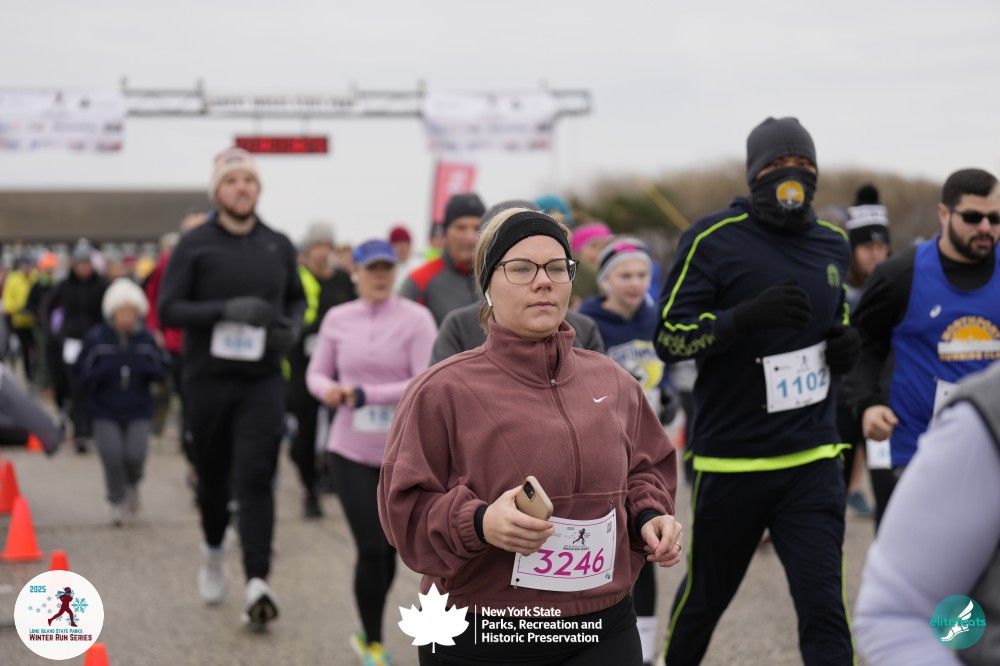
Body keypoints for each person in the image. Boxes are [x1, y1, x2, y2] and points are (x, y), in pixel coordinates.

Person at [379, 207, 681, 666]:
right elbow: (404, 511)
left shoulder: (614, 380)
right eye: (521, 269)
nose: (543, 282)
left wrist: (649, 515)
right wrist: (480, 522)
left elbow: (644, 470)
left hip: (603, 623)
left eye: (557, 268)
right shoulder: (441, 390)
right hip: (481, 627)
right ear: (488, 285)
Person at [653, 117, 858, 664]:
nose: (792, 176)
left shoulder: (834, 243)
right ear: (754, 174)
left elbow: (836, 319)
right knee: (705, 601)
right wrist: (740, 319)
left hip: (812, 457)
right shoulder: (712, 238)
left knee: (824, 607)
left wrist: (845, 345)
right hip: (732, 461)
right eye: (777, 165)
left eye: (805, 165)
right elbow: (668, 338)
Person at [158, 147, 306, 628]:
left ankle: (257, 580)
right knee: (213, 478)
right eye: (232, 181)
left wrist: (291, 330)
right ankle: (213, 549)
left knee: (257, 475)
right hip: (207, 380)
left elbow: (297, 302)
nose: (242, 187)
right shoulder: (195, 244)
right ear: (217, 191)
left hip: (262, 380)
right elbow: (168, 310)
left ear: (257, 189)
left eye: (249, 180)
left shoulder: (278, 244)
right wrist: (224, 311)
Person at [844, 168, 1000, 528]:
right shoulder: (899, 274)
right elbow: (863, 345)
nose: (985, 228)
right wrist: (868, 404)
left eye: (994, 219)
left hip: (991, 450)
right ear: (944, 214)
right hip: (914, 451)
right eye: (972, 217)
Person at [306, 239, 435, 666]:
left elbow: (424, 379)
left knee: (392, 549)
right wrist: (330, 391)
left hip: (404, 453)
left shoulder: (416, 318)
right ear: (356, 273)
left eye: (386, 268)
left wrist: (366, 394)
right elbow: (316, 373)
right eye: (371, 269)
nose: (380, 276)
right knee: (372, 547)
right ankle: (373, 642)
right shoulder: (338, 318)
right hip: (349, 450)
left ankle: (369, 627)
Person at [854, 361, 1000, 665]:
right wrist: (869, 402)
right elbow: (896, 613)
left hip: (953, 433)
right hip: (912, 438)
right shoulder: (987, 408)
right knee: (948, 590)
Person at [578, 236, 679, 665]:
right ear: (605, 280)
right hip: (603, 443)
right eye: (624, 275)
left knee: (647, 539)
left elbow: (666, 369)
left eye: (642, 274)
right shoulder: (588, 321)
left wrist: (669, 395)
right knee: (607, 540)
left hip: (645, 443)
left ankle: (647, 649)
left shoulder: (655, 318)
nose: (635, 283)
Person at [77, 278, 168, 526]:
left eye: (131, 312)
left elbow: (163, 369)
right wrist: (99, 373)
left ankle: (133, 484)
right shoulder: (97, 339)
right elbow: (81, 372)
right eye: (122, 312)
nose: (127, 317)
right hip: (105, 408)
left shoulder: (146, 339)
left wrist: (152, 369)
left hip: (138, 408)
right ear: (113, 312)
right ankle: (116, 500)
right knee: (112, 455)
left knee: (135, 454)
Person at [287, 220, 355, 517]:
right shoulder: (297, 278)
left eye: (327, 245)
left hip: (340, 367)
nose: (323, 251)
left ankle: (330, 475)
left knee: (337, 425)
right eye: (318, 245)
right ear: (309, 248)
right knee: (306, 430)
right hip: (303, 366)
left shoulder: (342, 280)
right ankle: (309, 488)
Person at [836, 184, 891, 519]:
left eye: (882, 246)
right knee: (832, 491)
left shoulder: (894, 284)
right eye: (868, 246)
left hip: (878, 399)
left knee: (888, 489)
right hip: (840, 400)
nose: (876, 254)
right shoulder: (836, 287)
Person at [46, 239, 109, 453]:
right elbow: (48, 308)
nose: (83, 268)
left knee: (94, 384)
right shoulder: (65, 286)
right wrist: (54, 332)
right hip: (71, 341)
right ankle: (80, 431)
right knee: (75, 386)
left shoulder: (101, 285)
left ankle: (91, 429)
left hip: (95, 341)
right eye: (80, 264)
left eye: (86, 264)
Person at [400, 193, 486, 324]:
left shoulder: (499, 276)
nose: (470, 237)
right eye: (461, 228)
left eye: (477, 228)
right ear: (445, 233)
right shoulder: (420, 280)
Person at [2, 255, 38, 384]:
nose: (26, 269)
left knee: (37, 349)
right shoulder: (13, 279)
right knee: (24, 349)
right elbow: (7, 302)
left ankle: (35, 374)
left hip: (34, 321)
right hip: (18, 322)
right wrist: (19, 308)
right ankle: (29, 376)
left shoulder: (35, 277)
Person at [388, 225, 423, 291]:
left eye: (404, 244)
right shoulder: (388, 269)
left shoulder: (420, 265)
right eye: (397, 244)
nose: (401, 248)